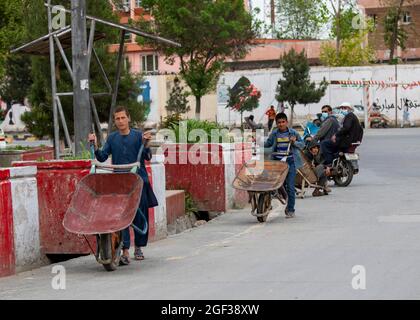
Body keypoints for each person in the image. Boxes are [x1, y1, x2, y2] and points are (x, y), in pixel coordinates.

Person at [88, 106, 158, 265]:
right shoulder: (112, 138)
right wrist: (95, 145)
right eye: (117, 119)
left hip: (138, 181)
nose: (120, 121)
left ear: (128, 118)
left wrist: (146, 144)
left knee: (140, 215)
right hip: (119, 183)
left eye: (122, 118)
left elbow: (147, 156)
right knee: (121, 217)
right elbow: (102, 156)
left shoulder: (138, 136)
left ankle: (138, 247)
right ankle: (125, 250)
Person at [264, 112, 305, 218]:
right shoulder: (274, 134)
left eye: (283, 122)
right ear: (276, 124)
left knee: (291, 187)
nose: (281, 124)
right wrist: (256, 142)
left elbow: (302, 144)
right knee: (273, 185)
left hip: (290, 163)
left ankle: (291, 209)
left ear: (286, 122)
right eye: (279, 122)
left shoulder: (293, 133)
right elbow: (267, 144)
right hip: (277, 164)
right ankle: (267, 204)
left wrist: (294, 142)